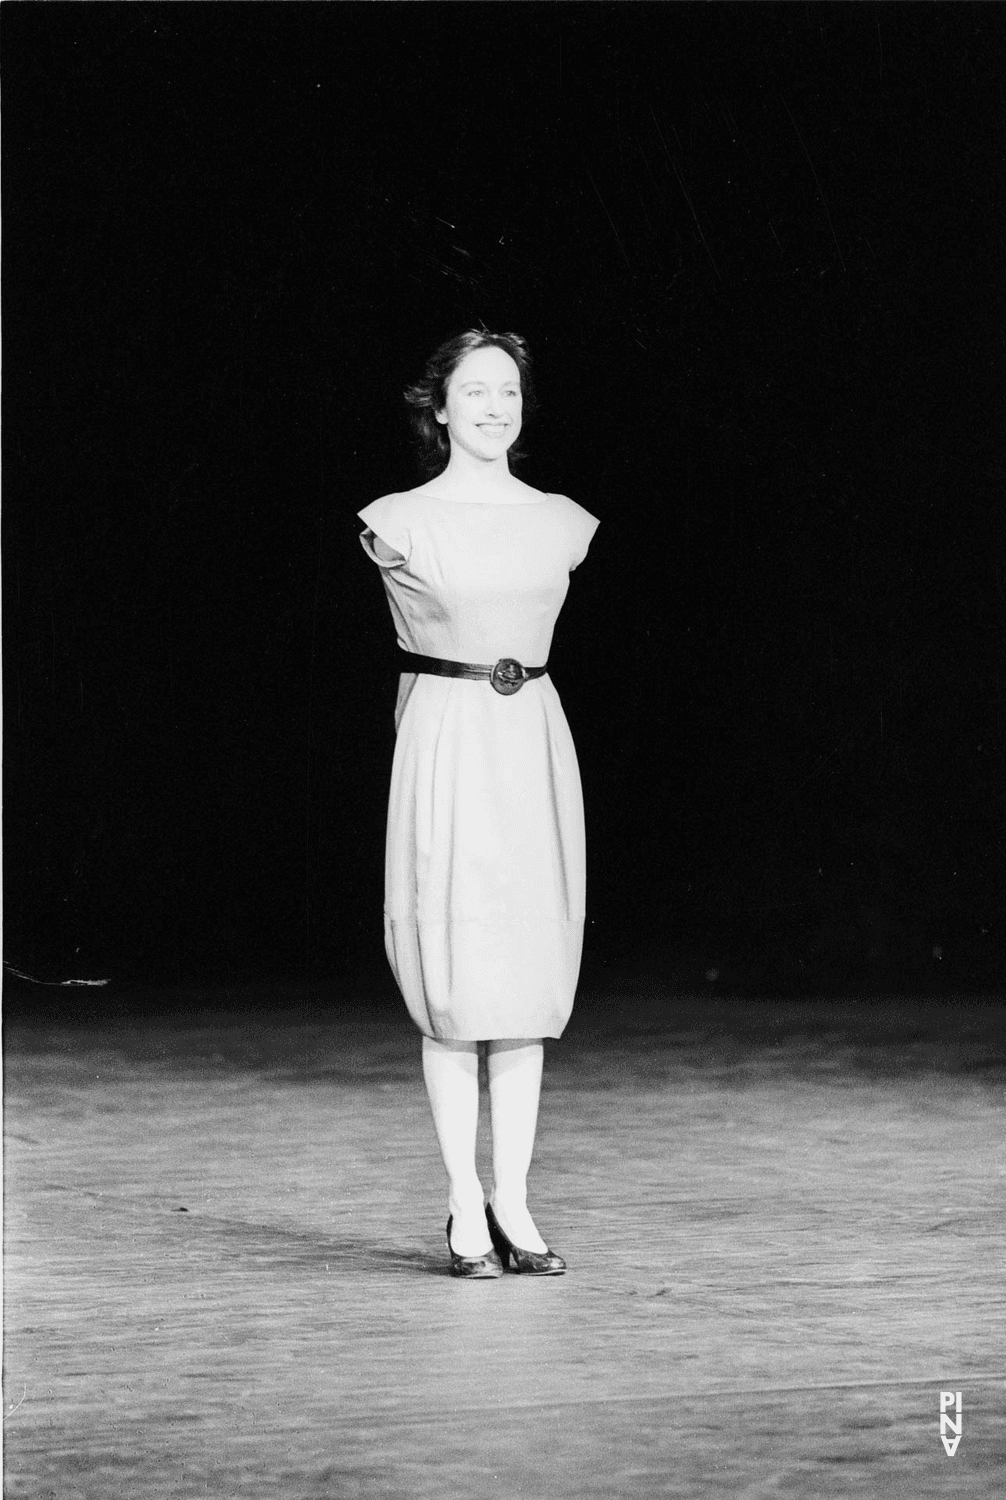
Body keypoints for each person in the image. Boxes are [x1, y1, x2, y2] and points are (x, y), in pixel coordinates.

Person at [358, 329, 598, 1278]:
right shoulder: (400, 521)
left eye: (509, 392)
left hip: (531, 740)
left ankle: (516, 1199)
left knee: (527, 980)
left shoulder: (560, 520)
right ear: (439, 406)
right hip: (450, 738)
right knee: (456, 982)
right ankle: (463, 1202)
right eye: (476, 391)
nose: (495, 407)